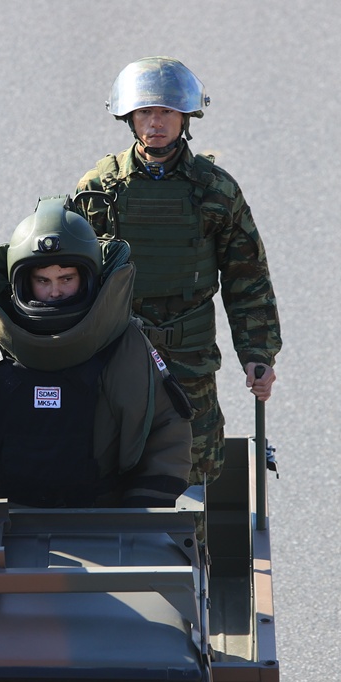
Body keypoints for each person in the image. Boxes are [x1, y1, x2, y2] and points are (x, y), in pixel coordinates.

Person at [74, 57, 281, 485]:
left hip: (190, 357)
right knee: (105, 459)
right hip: (117, 350)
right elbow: (71, 278)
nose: (155, 122)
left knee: (196, 466)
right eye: (146, 112)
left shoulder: (216, 190)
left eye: (166, 111)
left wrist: (258, 355)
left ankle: (194, 549)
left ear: (185, 117)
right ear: (129, 118)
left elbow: (247, 279)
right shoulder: (99, 187)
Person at [0, 195, 192, 508]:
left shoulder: (124, 346)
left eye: (67, 278)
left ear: (90, 278)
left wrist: (139, 515)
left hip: (104, 518)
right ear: (19, 282)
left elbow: (167, 430)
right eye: (42, 280)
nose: (55, 291)